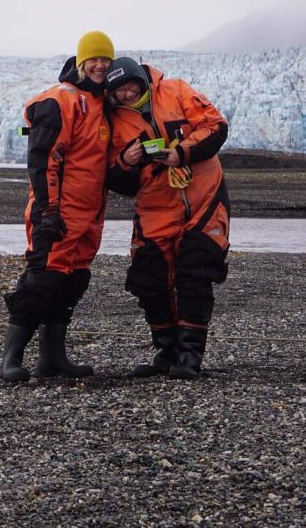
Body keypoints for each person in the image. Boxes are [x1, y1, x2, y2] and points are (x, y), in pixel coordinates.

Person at [104, 56, 230, 379]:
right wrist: (126, 160)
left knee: (195, 270)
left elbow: (216, 126)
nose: (128, 93)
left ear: (140, 78)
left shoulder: (175, 91)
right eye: (119, 91)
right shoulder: (116, 122)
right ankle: (166, 351)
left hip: (203, 197)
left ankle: (190, 357)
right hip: (155, 208)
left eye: (130, 85)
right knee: (150, 277)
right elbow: (118, 181)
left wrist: (181, 152)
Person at [0, 31, 114, 381]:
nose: (100, 65)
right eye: (93, 59)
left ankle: (52, 358)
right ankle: (11, 359)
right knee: (42, 280)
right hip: (57, 211)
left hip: (88, 214)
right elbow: (43, 158)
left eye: (106, 60)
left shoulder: (101, 102)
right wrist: (49, 210)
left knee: (72, 281)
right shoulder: (61, 100)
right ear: (80, 62)